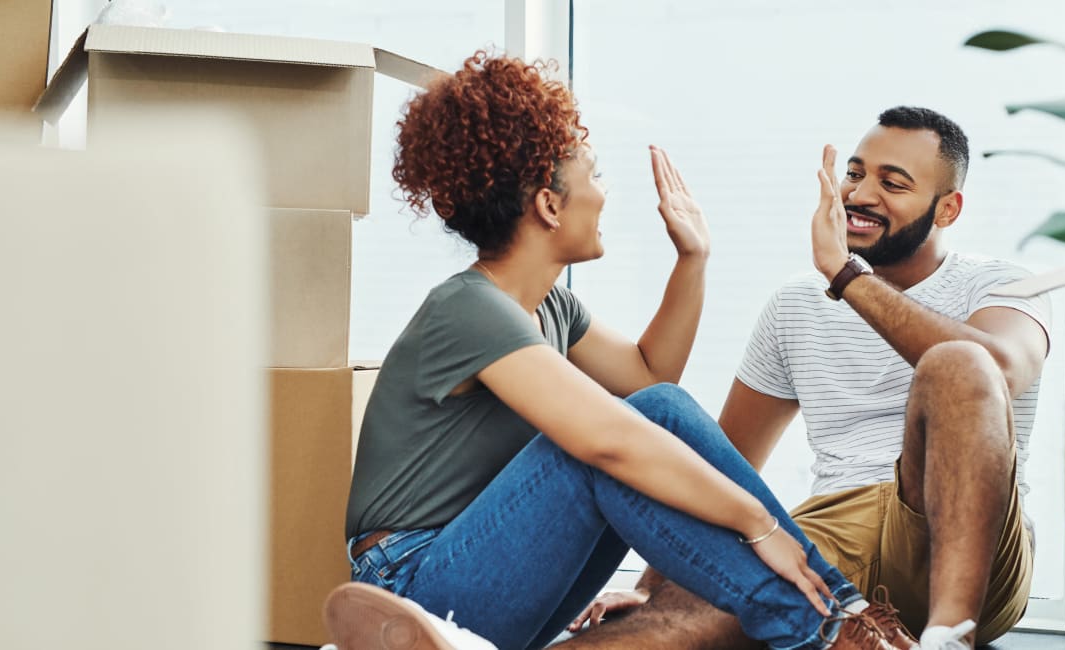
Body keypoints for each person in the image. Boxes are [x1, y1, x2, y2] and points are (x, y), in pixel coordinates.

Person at [323, 50, 912, 650]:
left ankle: (840, 619)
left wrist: (693, 259)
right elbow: (613, 437)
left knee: (654, 411)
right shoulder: (468, 309)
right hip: (410, 583)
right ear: (550, 206)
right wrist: (758, 524)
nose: (604, 194)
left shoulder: (550, 308)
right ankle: (833, 627)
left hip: (481, 571)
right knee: (616, 438)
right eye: (595, 175)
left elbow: (650, 377)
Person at [560, 107, 1051, 650]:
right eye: (856, 173)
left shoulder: (1002, 286)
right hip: (831, 536)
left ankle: (950, 637)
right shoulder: (795, 305)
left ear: (947, 209)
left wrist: (846, 276)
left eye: (893, 183)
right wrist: (653, 586)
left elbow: (999, 370)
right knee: (658, 631)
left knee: (958, 362)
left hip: (966, 545)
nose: (861, 195)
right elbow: (728, 462)